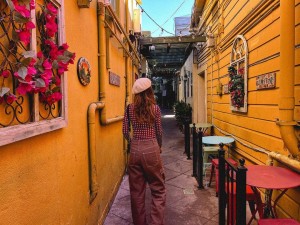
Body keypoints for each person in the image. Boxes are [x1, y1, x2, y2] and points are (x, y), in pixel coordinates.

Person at [122, 78, 166, 225]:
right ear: (149, 91)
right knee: (158, 190)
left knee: (136, 193)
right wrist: (158, 146)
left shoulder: (129, 108)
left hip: (135, 149)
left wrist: (132, 143)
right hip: (151, 147)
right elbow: (159, 131)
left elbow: (124, 131)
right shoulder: (155, 109)